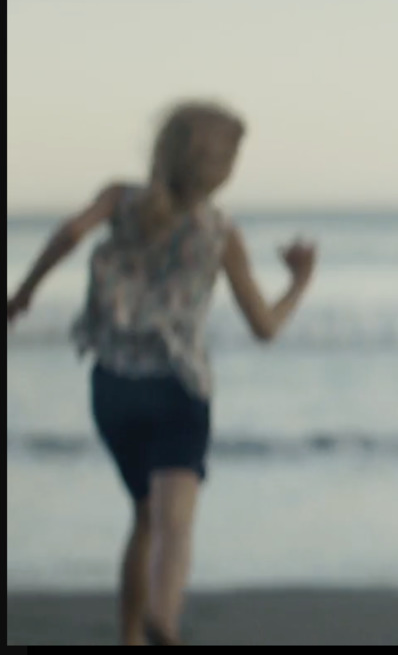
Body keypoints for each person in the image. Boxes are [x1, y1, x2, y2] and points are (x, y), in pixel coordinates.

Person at [6, 101, 319, 646]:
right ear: (220, 170)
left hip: (112, 387)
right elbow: (265, 327)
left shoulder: (119, 200)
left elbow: (69, 234)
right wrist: (300, 280)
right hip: (179, 389)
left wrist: (24, 293)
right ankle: (162, 620)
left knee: (144, 515)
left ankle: (130, 638)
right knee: (173, 523)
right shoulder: (220, 233)